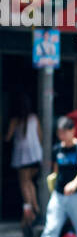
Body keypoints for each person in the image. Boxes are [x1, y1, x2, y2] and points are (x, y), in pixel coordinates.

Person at [29, 116, 77, 237]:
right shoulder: (58, 149)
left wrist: (74, 184)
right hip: (58, 194)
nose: (61, 136)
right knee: (51, 226)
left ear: (72, 131)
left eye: (64, 132)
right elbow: (56, 170)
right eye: (59, 133)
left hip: (76, 195)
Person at [4, 91, 42, 226]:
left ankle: (28, 207)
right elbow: (40, 136)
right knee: (29, 181)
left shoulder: (15, 120)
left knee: (24, 182)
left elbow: (8, 137)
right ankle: (35, 205)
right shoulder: (34, 118)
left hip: (23, 156)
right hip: (35, 154)